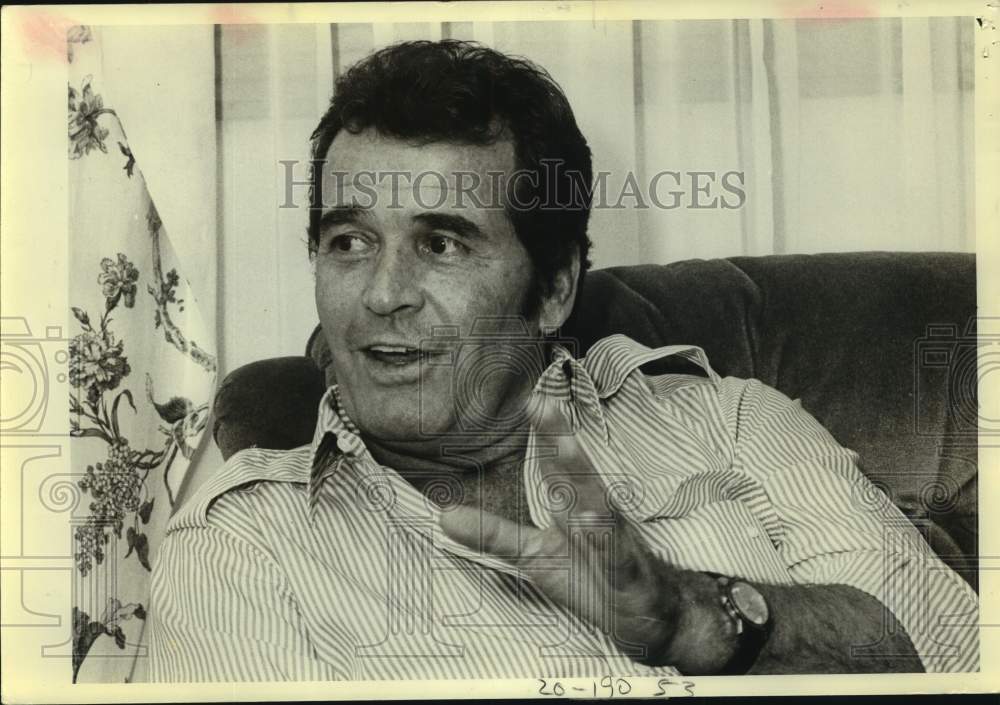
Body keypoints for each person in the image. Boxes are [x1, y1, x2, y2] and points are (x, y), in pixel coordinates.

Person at [148, 40, 978, 681]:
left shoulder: (732, 425)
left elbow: (952, 653)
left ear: (552, 290)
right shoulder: (239, 546)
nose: (381, 293)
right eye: (349, 241)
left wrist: (693, 617)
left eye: (440, 243)